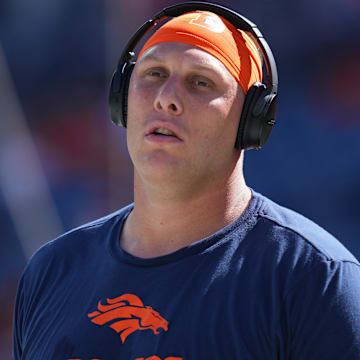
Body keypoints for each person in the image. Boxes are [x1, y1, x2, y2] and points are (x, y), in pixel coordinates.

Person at [12, 3, 360, 360]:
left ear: (252, 120)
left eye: (200, 82)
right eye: (153, 74)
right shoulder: (51, 270)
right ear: (122, 102)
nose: (166, 98)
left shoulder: (313, 278)